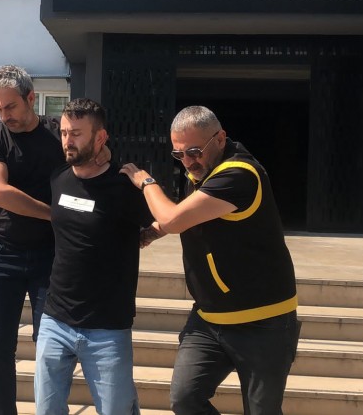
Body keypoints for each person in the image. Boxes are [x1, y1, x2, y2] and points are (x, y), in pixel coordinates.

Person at [120, 105, 300, 415]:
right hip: (209, 318)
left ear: (219, 138)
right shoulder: (202, 173)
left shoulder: (240, 175)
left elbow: (175, 218)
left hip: (263, 320)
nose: (187, 161)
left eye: (193, 151)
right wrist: (150, 233)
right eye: (179, 154)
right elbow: (193, 214)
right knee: (185, 399)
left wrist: (147, 183)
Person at [0, 65, 108, 414]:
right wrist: (55, 214)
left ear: (31, 98)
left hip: (51, 256)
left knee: (51, 346)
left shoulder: (56, 134)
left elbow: (97, 162)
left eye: (11, 106)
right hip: (2, 253)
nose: (4, 115)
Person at [34, 98, 152, 415]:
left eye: (76, 134)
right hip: (56, 320)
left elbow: (167, 219)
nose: (67, 141)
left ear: (100, 138)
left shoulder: (124, 187)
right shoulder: (59, 178)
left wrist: (148, 235)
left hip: (107, 328)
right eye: (64, 133)